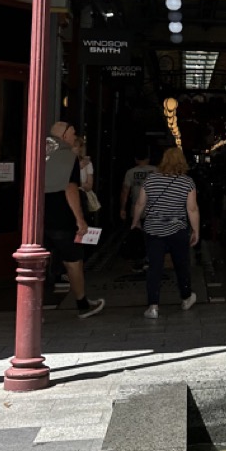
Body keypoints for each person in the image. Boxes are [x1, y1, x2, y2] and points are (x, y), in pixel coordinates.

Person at [43, 120, 105, 319]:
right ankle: (83, 304)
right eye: (73, 132)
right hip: (62, 218)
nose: (75, 136)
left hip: (38, 219)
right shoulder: (68, 157)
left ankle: (36, 309)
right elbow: (70, 189)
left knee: (40, 264)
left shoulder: (39, 153)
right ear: (64, 136)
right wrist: (80, 220)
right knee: (73, 261)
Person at [131, 146, 199, 319]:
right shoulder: (187, 182)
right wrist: (196, 230)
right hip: (178, 230)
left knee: (154, 267)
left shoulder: (151, 180)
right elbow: (192, 209)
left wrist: (135, 221)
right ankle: (185, 298)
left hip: (153, 230)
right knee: (181, 265)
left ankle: (153, 306)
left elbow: (140, 203)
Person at [120, 148, 154, 271]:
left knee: (138, 236)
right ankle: (150, 259)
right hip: (154, 209)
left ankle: (139, 260)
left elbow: (125, 191)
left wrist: (123, 208)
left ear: (136, 159)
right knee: (153, 235)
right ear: (148, 158)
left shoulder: (130, 173)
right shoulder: (157, 171)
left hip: (136, 210)